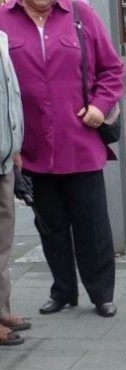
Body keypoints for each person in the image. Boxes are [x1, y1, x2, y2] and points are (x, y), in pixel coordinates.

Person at [0, 0, 123, 318]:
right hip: (32, 147)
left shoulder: (81, 14)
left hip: (80, 141)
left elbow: (112, 70)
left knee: (92, 225)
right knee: (50, 226)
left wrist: (100, 105)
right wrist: (10, 142)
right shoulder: (3, 19)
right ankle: (63, 290)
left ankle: (101, 293)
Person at [0, 27, 27, 346]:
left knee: (2, 244)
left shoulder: (1, 38)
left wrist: (15, 147)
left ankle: (1, 310)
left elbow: (9, 98)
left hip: (5, 159)